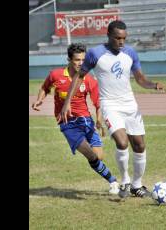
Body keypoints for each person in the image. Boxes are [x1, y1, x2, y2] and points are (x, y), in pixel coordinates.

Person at [59, 20, 165, 199]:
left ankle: (137, 186)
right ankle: (125, 181)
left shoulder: (130, 53)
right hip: (110, 105)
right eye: (117, 38)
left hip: (130, 105)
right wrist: (67, 101)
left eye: (124, 38)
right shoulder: (95, 53)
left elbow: (140, 79)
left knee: (139, 145)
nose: (121, 42)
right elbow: (79, 76)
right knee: (122, 142)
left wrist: (153, 85)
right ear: (108, 35)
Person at [31, 43, 119, 195]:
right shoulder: (56, 75)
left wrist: (98, 120)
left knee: (98, 157)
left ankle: (105, 173)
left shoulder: (89, 80)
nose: (81, 63)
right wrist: (40, 99)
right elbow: (45, 88)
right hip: (67, 123)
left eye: (83, 60)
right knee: (90, 154)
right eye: (77, 60)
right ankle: (113, 182)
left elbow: (98, 104)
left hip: (86, 121)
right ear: (69, 60)